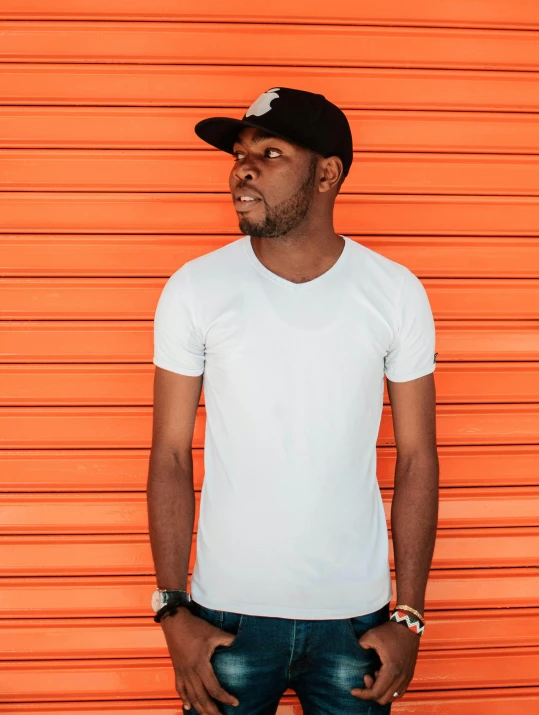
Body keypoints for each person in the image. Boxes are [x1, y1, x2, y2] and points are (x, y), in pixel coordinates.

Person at [147, 87, 439, 715]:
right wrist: (172, 610)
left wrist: (409, 616)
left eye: (270, 153)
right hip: (224, 619)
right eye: (239, 155)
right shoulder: (196, 289)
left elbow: (417, 456)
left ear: (328, 173)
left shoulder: (394, 293)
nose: (241, 170)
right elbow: (170, 452)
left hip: (356, 624)